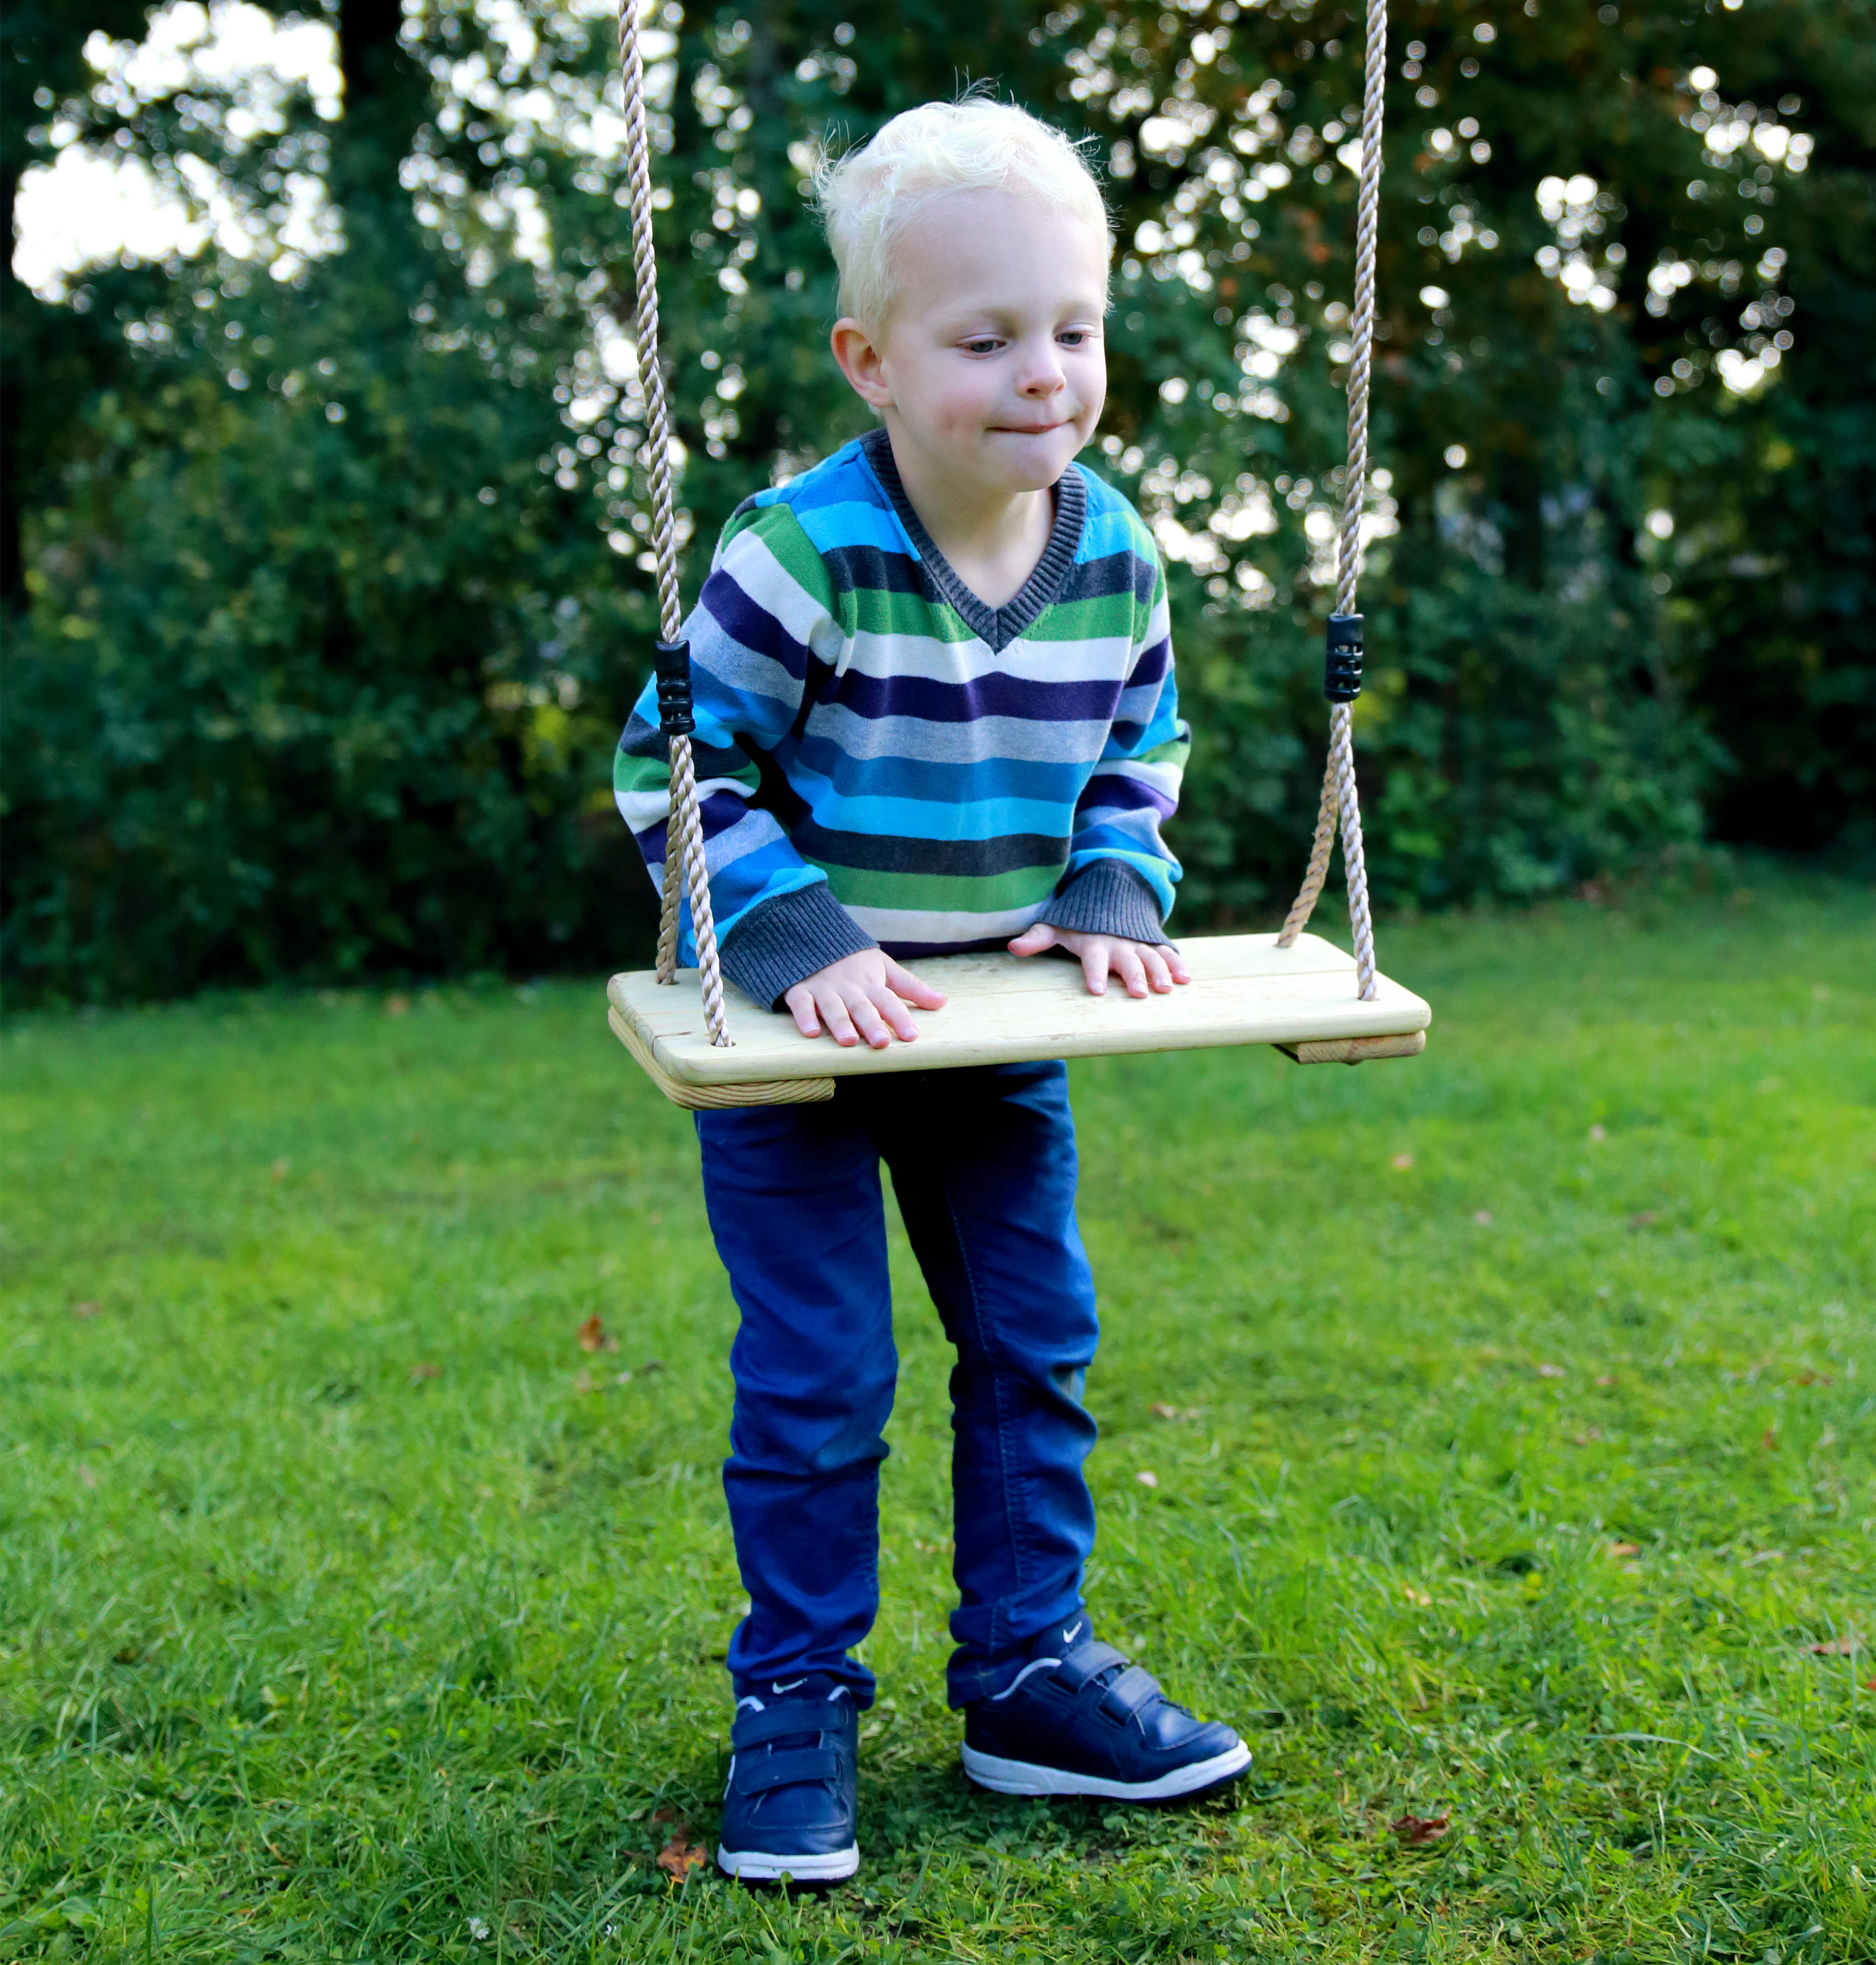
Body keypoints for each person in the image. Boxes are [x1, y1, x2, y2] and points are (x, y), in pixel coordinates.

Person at [614, 98, 1250, 1886]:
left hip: (997, 1036)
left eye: (1074, 329)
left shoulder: (1114, 550)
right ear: (872, 362)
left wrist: (1120, 881)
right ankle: (795, 1695)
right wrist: (806, 941)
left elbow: (1145, 745)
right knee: (820, 1380)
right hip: (804, 1045)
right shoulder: (799, 552)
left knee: (1037, 1344)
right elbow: (664, 774)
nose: (1045, 373)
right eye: (988, 338)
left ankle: (1026, 1676)